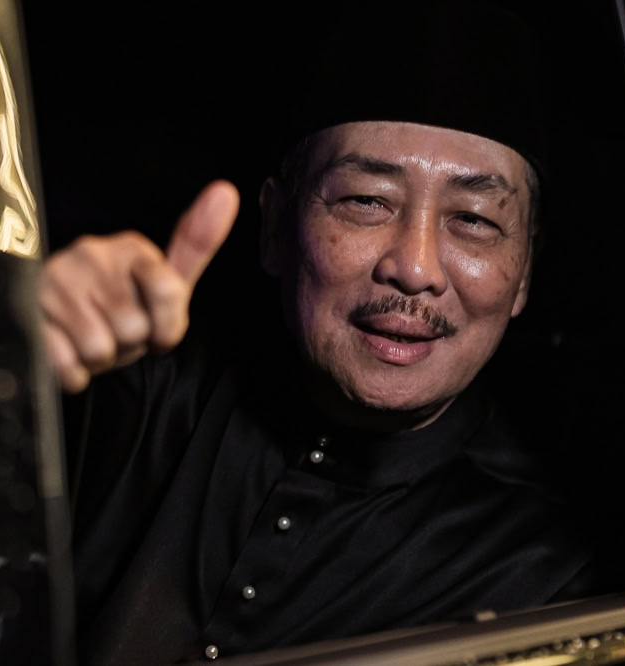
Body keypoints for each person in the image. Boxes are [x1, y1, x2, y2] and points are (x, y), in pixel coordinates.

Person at [36, 8, 595, 661]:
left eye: (473, 219)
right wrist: (10, 333)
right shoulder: (128, 393)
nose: (414, 268)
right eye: (366, 201)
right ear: (276, 226)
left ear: (523, 274)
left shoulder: (545, 579)